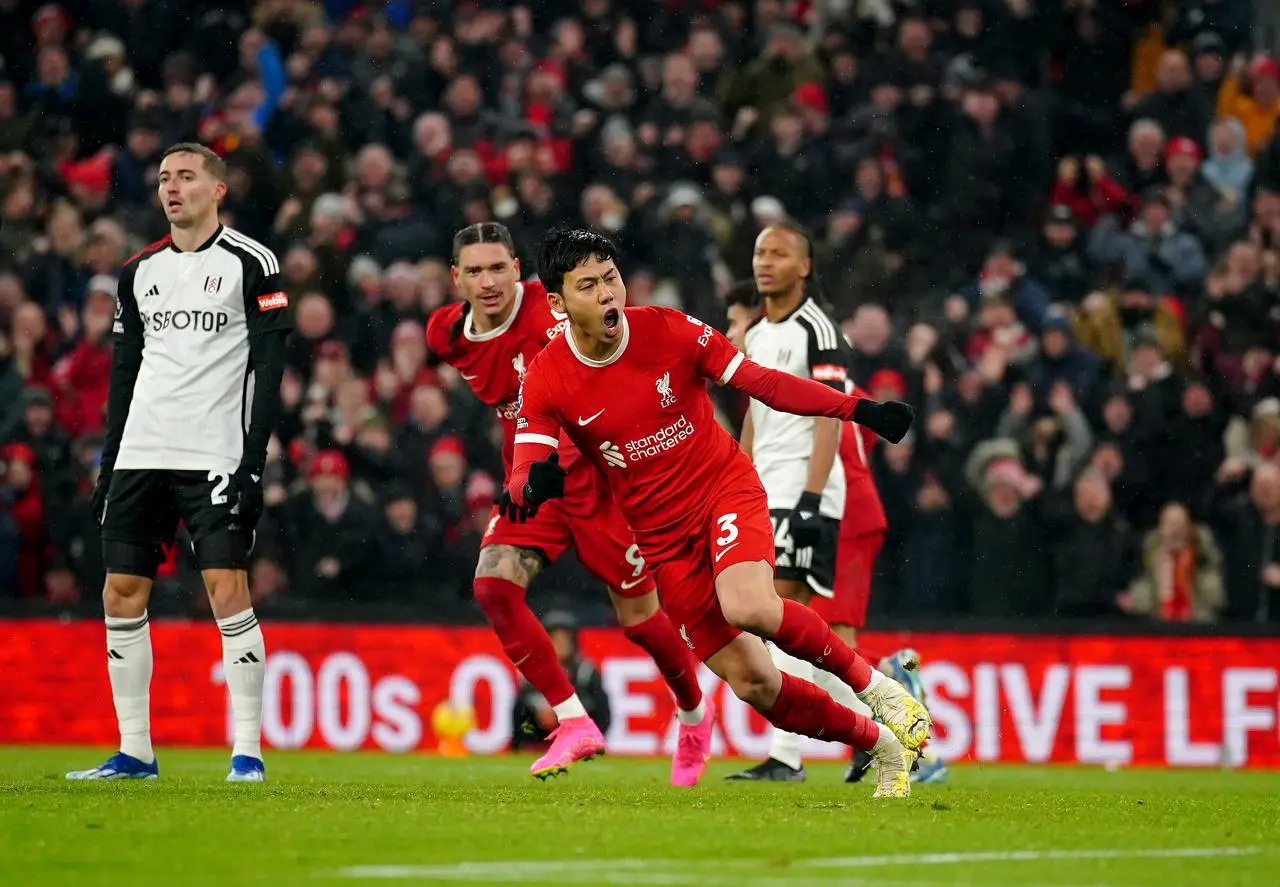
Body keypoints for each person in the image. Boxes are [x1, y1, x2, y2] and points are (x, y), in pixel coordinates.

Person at [509, 229, 930, 798]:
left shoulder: (669, 329)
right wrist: (532, 484)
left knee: (750, 603)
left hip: (722, 491)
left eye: (611, 278)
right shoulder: (548, 375)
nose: (608, 294)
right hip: (661, 540)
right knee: (755, 684)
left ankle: (881, 690)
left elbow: (766, 385)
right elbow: (525, 460)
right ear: (558, 304)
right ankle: (880, 743)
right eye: (589, 286)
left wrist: (859, 410)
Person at [426, 223, 712, 785]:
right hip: (534, 480)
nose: (489, 282)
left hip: (604, 480)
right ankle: (573, 721)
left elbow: (621, 354)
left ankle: (694, 716)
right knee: (493, 585)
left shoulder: (552, 317)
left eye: (499, 268)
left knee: (640, 621)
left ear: (518, 270)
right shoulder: (445, 334)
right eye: (475, 271)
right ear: (456, 278)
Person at [66, 143, 291, 782]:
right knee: (121, 591)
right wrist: (110, 463)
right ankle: (135, 750)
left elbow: (271, 366)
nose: (172, 188)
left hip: (215, 450)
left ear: (217, 190)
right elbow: (123, 371)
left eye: (187, 177)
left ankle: (246, 752)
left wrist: (254, 460)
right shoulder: (138, 273)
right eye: (165, 178)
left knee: (226, 588)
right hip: (143, 449)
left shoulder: (253, 262)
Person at [724, 222, 875, 782]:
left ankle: (791, 756)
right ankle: (878, 727)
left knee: (778, 616)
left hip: (802, 489)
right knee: (787, 623)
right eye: (760, 251)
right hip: (765, 486)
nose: (765, 262)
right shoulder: (760, 334)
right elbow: (755, 419)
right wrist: (734, 479)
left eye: (779, 253)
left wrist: (812, 499)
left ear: (804, 267)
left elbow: (832, 413)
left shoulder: (819, 329)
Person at [511, 610, 612, 751]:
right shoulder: (530, 672)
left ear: (573, 643)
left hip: (577, 738)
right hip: (541, 737)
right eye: (555, 639)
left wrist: (564, 714)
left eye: (565, 639)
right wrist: (540, 710)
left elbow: (603, 713)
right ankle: (529, 748)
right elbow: (521, 708)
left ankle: (587, 745)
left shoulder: (586, 672)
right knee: (521, 708)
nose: (561, 644)